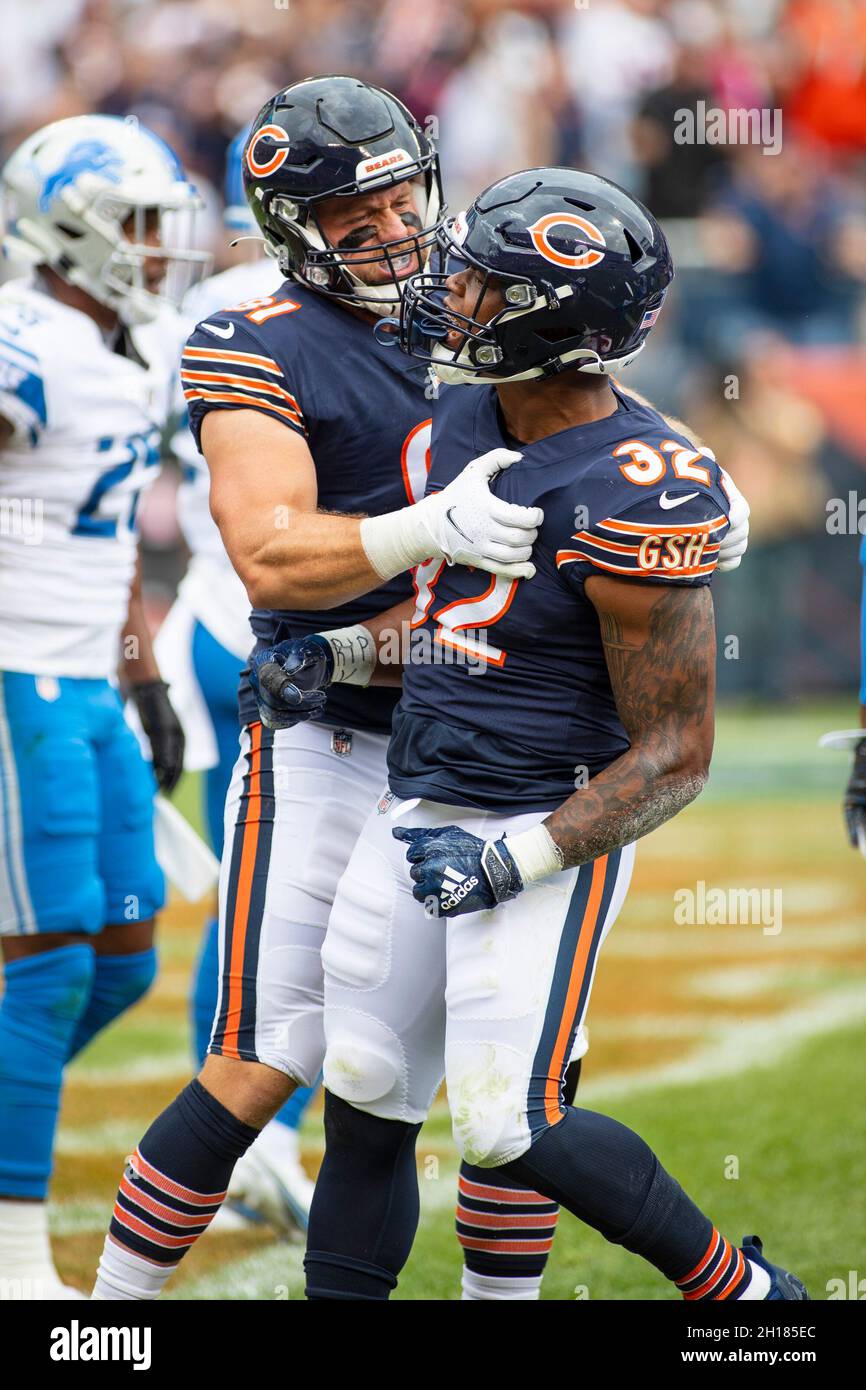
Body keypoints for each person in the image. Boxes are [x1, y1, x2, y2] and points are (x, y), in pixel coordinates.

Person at [259, 168, 805, 1302]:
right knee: (361, 1085)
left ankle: (747, 1299)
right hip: (418, 801)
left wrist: (514, 858)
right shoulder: (461, 411)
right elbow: (470, 633)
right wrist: (339, 657)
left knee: (508, 1121)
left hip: (543, 819)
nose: (445, 290)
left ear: (551, 325)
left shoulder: (633, 490)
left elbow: (675, 755)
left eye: (477, 282)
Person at [91, 75, 545, 1303]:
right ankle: (105, 1317)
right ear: (295, 232)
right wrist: (429, 531)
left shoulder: (496, 308)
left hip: (496, 758)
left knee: (488, 1089)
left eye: (404, 193)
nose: (397, 227)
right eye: (358, 212)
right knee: (266, 1049)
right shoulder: (253, 336)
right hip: (334, 746)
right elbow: (273, 550)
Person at [0, 114, 202, 1298]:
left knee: (123, 955)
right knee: (46, 969)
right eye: (134, 223)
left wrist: (141, 675)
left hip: (85, 686)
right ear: (66, 223)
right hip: (15, 678)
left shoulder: (121, 347)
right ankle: (16, 1263)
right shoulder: (19, 337)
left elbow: (113, 527)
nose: (152, 247)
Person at [159, 128, 318, 1233]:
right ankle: (254, 1144)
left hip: (203, 619)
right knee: (303, 906)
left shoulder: (191, 306)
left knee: (251, 893)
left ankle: (235, 1144)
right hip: (296, 630)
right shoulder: (325, 303)